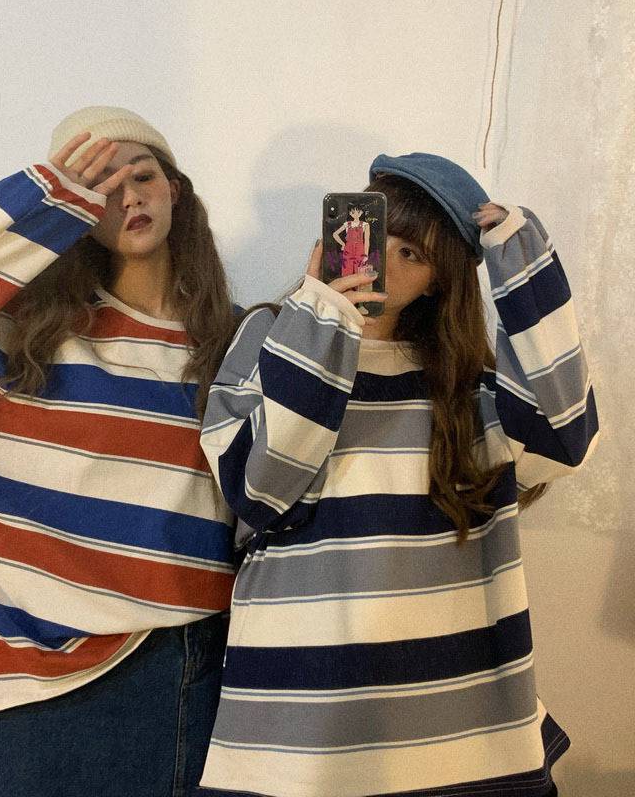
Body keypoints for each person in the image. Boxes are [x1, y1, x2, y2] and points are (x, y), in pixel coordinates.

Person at [0, 105, 240, 797]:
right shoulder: (8, 344)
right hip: (19, 690)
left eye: (142, 176)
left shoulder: (230, 344)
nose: (128, 196)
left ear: (175, 190)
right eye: (101, 185)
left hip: (174, 665)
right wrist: (47, 194)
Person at [196, 153, 598, 797]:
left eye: (412, 253)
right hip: (303, 722)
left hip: (458, 723)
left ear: (439, 281)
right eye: (371, 232)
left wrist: (522, 263)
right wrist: (323, 318)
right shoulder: (272, 335)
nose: (380, 258)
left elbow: (563, 439)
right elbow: (259, 487)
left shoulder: (467, 385)